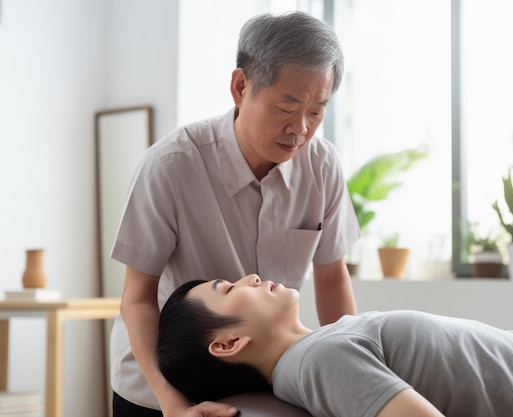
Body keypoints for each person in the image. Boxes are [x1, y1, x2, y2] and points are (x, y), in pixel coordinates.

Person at [109, 11, 360, 417]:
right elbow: (137, 299)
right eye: (287, 107)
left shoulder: (322, 165)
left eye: (317, 111)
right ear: (241, 87)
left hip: (256, 381)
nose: (300, 128)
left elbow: (332, 279)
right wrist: (173, 404)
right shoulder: (171, 165)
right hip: (158, 385)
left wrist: (353, 379)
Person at [157, 275, 513, 417]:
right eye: (228, 288)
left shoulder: (324, 343)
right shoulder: (319, 361)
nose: (250, 276)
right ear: (229, 343)